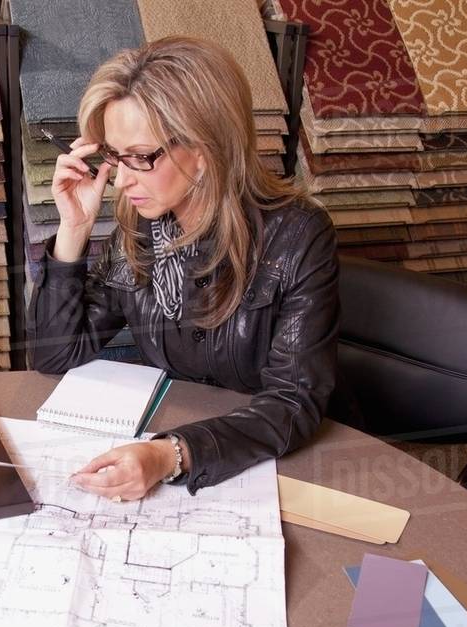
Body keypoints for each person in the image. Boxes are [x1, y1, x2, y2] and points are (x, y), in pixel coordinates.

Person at [28, 36, 338, 501]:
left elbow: (293, 404)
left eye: (141, 156)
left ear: (205, 146)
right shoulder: (139, 229)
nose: (123, 178)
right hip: (179, 439)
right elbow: (55, 356)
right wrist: (73, 230)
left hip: (267, 466)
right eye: (114, 156)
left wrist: (170, 455)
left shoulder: (297, 236)